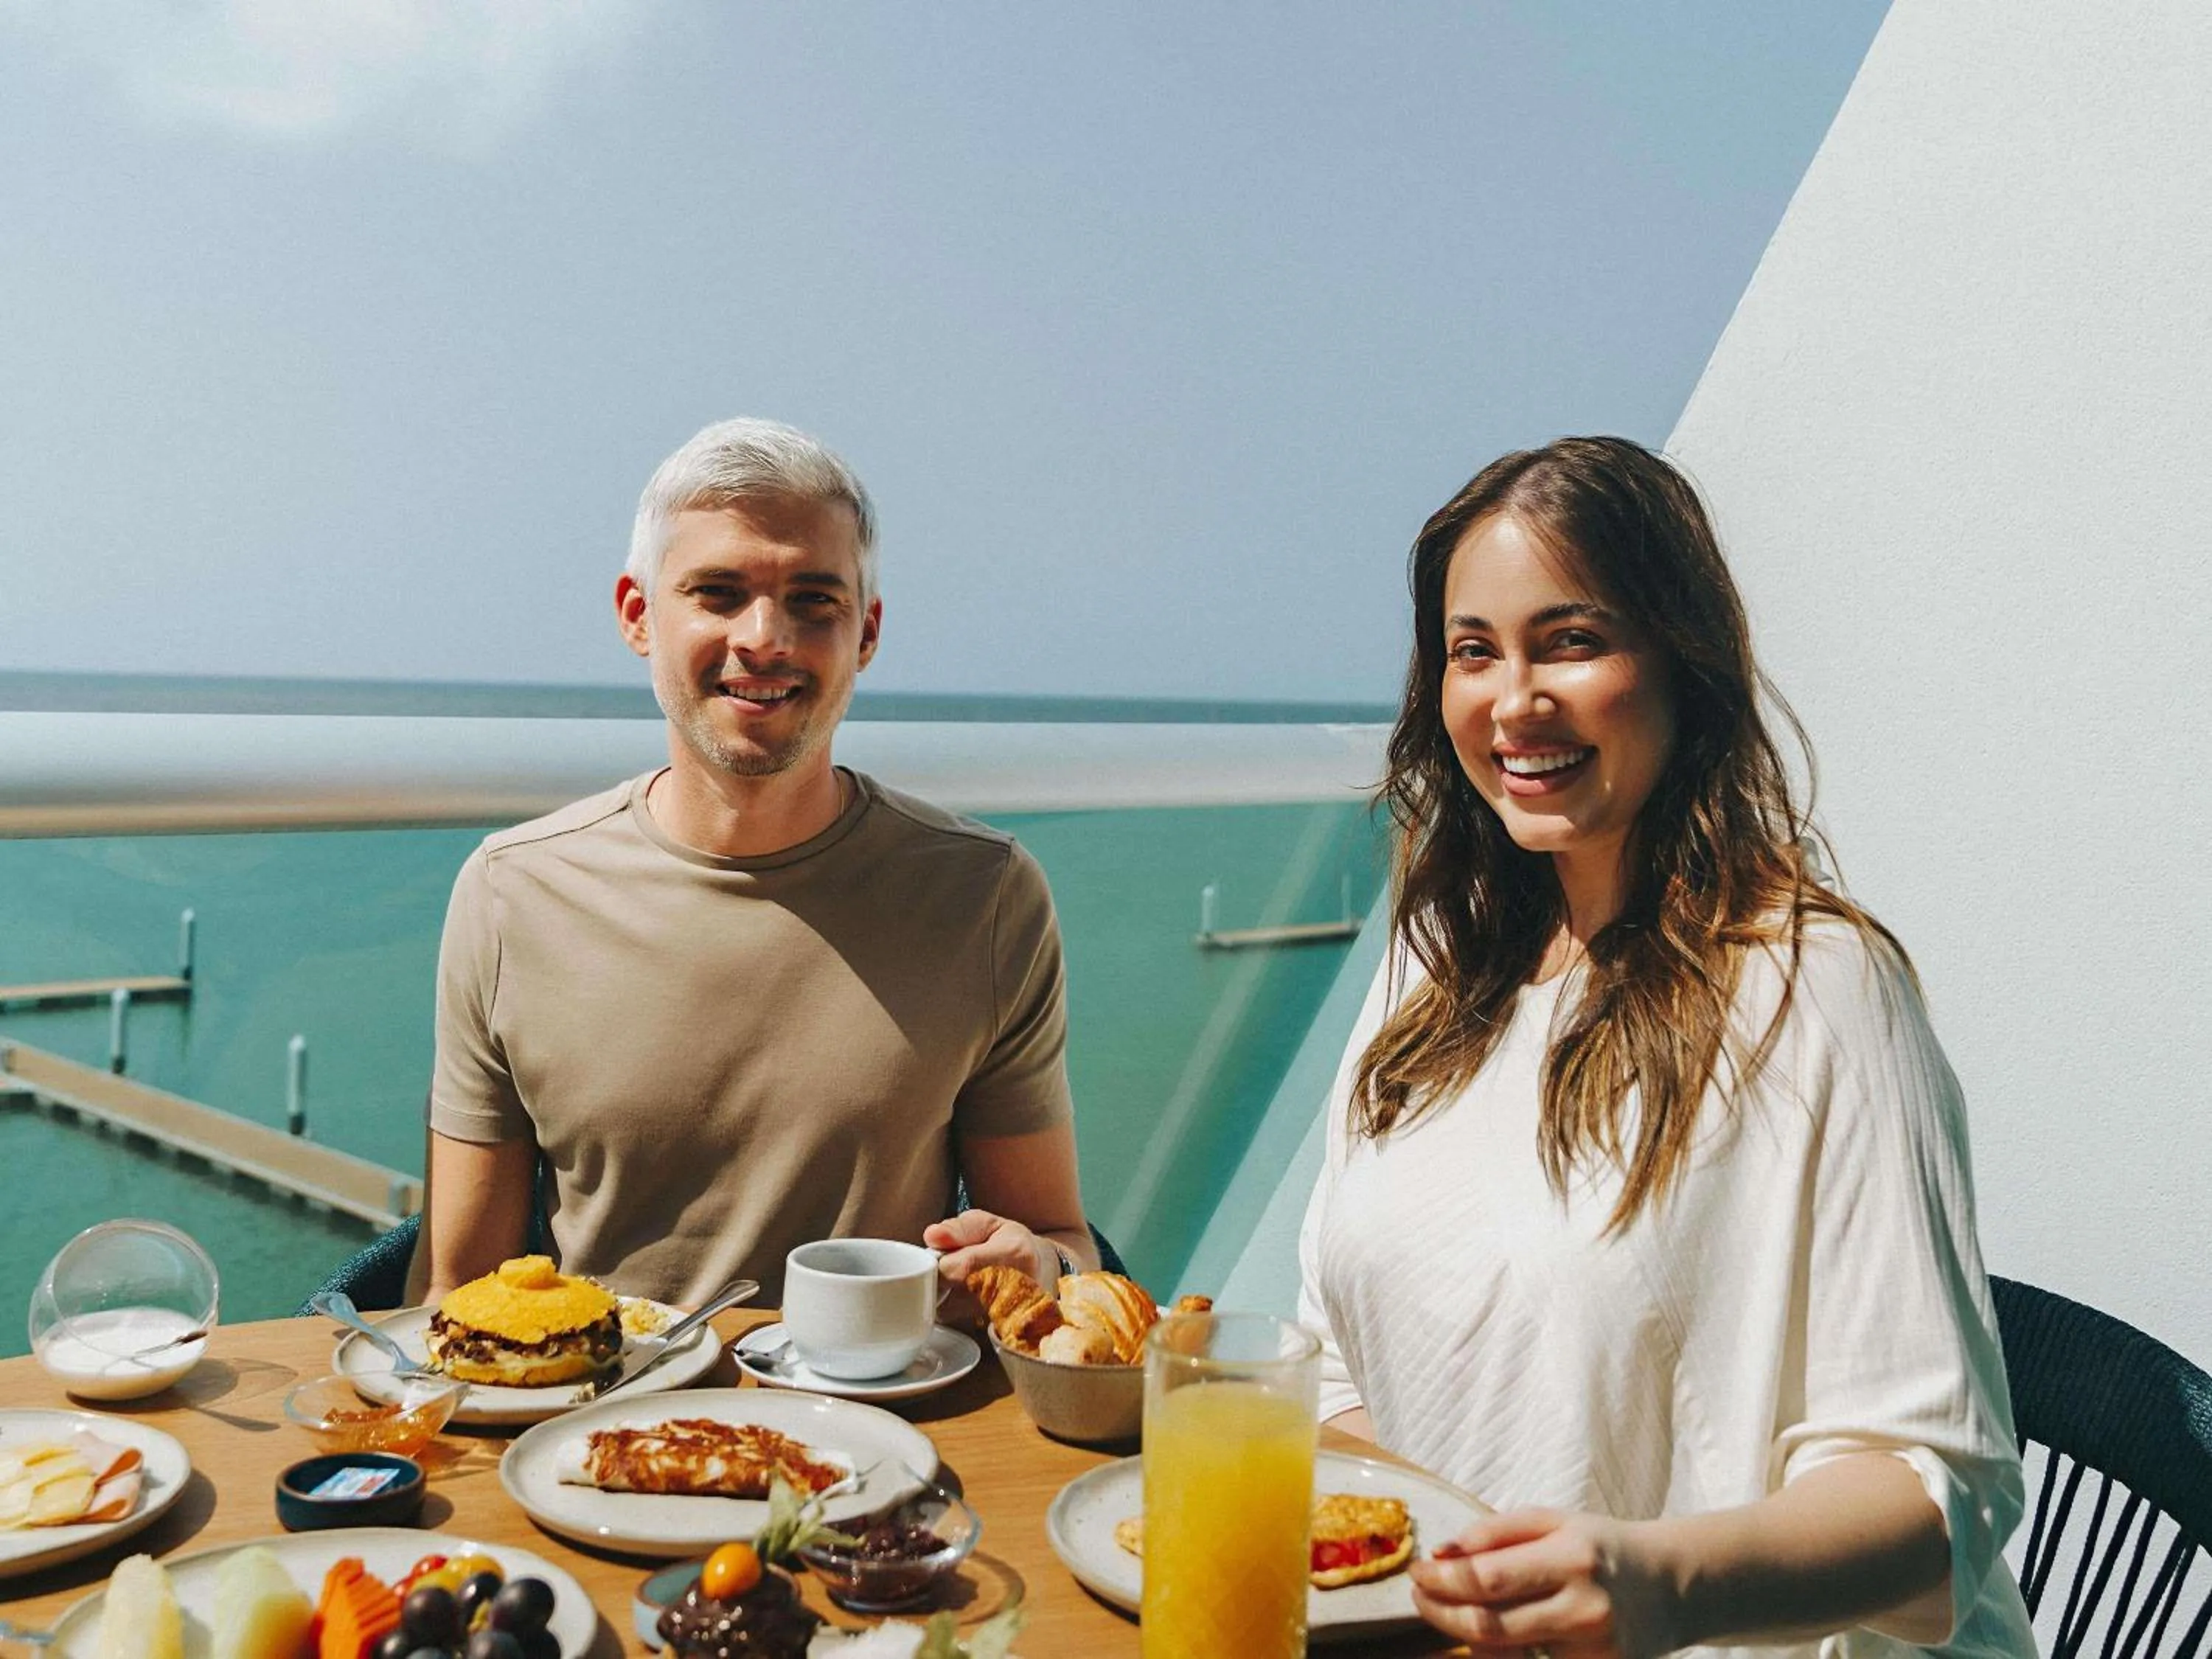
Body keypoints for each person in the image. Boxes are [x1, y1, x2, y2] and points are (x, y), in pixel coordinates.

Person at [1297, 437, 2034, 1658]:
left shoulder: (1820, 990)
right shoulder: (1433, 965)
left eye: (1572, 641)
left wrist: (1655, 1583)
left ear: (1683, 663)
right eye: (1475, 650)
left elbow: (1936, 1490)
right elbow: (1334, 1360)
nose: (1515, 698)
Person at [420, 417, 1095, 1310]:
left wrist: (1036, 1268)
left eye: (815, 599)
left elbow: (1060, 1242)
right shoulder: (513, 893)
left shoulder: (984, 895)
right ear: (638, 616)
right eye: (719, 592)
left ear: (867, 632)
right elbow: (458, 1292)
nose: (766, 638)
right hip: (595, 1428)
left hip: (889, 1430)